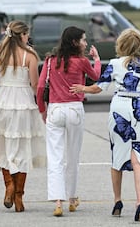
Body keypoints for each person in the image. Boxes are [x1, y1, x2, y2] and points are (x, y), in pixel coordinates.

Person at [70, 28, 140, 222]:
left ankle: (118, 201)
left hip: (120, 107)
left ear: (122, 44)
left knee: (117, 157)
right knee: (138, 158)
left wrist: (82, 88)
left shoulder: (115, 64)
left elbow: (98, 87)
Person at [36, 26, 101, 217]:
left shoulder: (50, 61)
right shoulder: (81, 61)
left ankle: (58, 201)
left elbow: (40, 87)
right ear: (74, 42)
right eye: (83, 39)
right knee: (73, 156)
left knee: (55, 157)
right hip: (74, 109)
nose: (85, 42)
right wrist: (96, 60)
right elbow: (96, 77)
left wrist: (42, 110)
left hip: (55, 109)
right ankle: (72, 198)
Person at [0, 20, 46, 212]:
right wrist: (43, 105)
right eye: (27, 34)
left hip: (2, 102)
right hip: (23, 103)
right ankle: (19, 196)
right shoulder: (30, 55)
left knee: (3, 145)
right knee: (22, 149)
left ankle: (8, 185)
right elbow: (35, 84)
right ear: (23, 35)